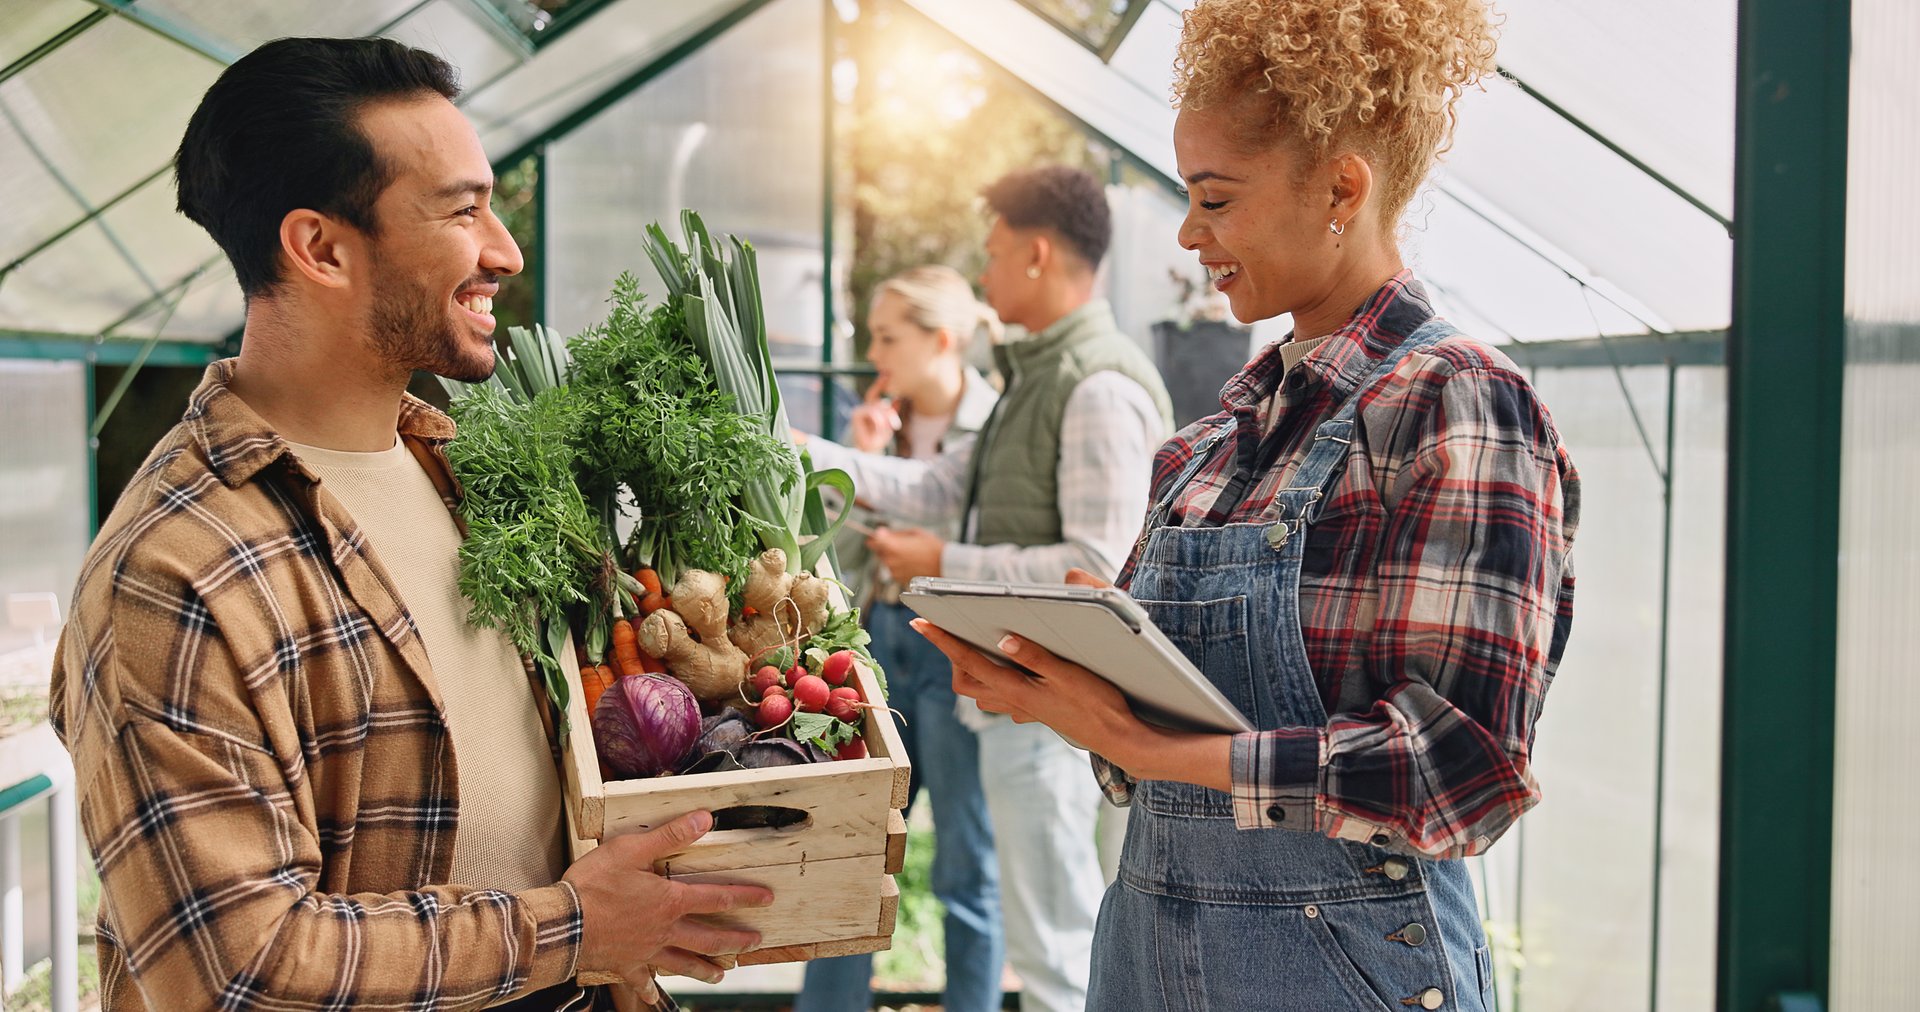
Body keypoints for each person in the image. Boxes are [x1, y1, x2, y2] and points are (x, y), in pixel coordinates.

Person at [48, 37, 771, 1011]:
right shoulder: (174, 573)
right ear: (321, 249)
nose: (504, 252)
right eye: (463, 209)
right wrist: (573, 929)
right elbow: (233, 968)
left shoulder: (460, 466)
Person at [916, 2, 1582, 1009]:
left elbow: (1461, 766)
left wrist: (1149, 744)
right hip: (1147, 953)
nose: (1189, 234)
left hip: (1340, 973)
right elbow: (1160, 752)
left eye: (1215, 200)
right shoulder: (1207, 448)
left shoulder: (1456, 404)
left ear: (1341, 188)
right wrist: (1068, 690)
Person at [800, 167, 1173, 1011]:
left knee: (1057, 944)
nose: (984, 277)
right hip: (1027, 695)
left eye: (996, 254)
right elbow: (937, 487)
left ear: (1038, 256)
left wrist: (943, 560)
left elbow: (1096, 568)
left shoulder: (1095, 387)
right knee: (1046, 929)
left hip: (1059, 707)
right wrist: (804, 449)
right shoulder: (1036, 380)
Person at [795, 267, 1004, 1011]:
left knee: (966, 861)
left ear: (940, 341)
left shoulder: (995, 427)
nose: (874, 352)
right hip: (878, 644)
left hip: (953, 653)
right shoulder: (877, 425)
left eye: (887, 337)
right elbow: (840, 570)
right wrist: (855, 463)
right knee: (850, 851)